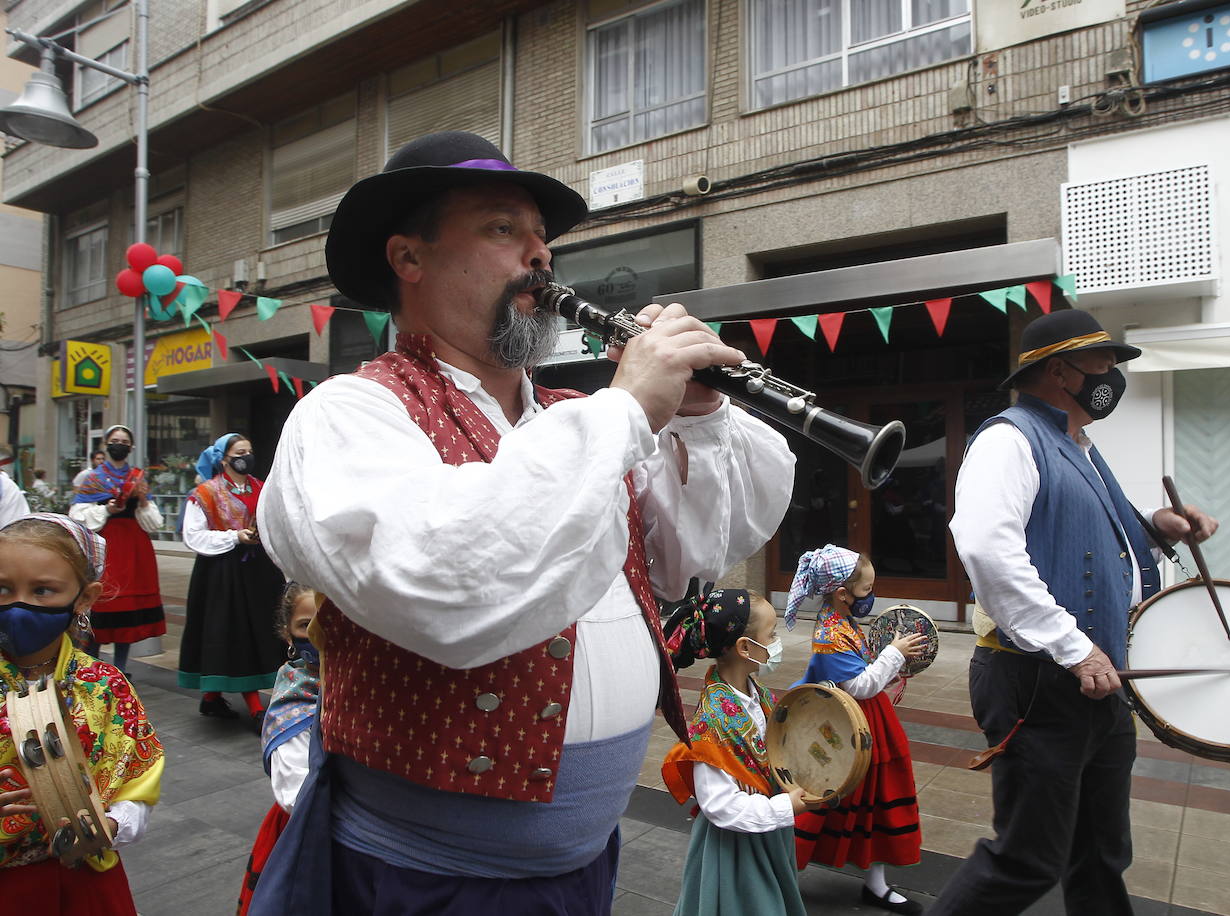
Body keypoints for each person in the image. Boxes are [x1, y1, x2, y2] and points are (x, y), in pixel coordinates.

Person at [251, 130, 795, 914]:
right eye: (504, 230)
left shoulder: (582, 423)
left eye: (543, 239)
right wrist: (629, 409)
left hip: (583, 864)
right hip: (424, 881)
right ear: (410, 259)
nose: (539, 256)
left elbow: (689, 557)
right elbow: (446, 584)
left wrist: (700, 418)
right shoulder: (352, 412)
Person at [930, 309, 1218, 916]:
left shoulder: (1078, 445)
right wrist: (1073, 645)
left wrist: (1156, 530)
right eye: (1102, 362)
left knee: (1101, 854)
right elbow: (986, 546)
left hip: (1097, 681)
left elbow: (1082, 539)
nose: (1112, 373)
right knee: (1028, 859)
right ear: (1059, 371)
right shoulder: (1009, 439)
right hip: (1040, 679)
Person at [0, 513, 165, 913]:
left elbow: (135, 786)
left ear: (85, 597)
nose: (19, 605)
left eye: (43, 590)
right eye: (3, 589)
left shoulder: (105, 686)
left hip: (85, 880)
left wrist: (107, 825)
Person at [787, 544, 927, 913]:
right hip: (849, 730)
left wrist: (891, 660)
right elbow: (861, 686)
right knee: (824, 799)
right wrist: (893, 652)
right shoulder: (829, 636)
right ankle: (779, 872)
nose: (871, 597)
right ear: (841, 594)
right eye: (866, 590)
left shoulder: (842, 624)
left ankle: (875, 884)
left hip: (867, 725)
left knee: (875, 800)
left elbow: (866, 676)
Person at [660, 588, 810, 916]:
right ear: (745, 647)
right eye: (770, 635)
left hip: (766, 837)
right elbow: (721, 806)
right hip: (734, 851)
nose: (775, 643)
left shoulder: (760, 697)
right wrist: (785, 806)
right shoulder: (712, 721)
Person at [178, 434, 286, 726]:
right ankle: (254, 706)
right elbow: (193, 534)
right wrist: (234, 536)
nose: (246, 456)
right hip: (222, 573)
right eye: (240, 452)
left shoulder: (262, 488)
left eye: (250, 451)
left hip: (260, 571)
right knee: (232, 632)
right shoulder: (206, 492)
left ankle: (212, 699)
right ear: (223, 458)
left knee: (261, 629)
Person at [238, 582, 321, 916]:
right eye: (305, 625)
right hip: (308, 832)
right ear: (288, 635)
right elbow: (295, 795)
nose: (319, 634)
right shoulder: (295, 698)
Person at [68, 426, 165, 673]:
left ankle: (121, 669)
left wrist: (142, 499)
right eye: (115, 440)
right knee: (101, 604)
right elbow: (76, 515)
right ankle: (94, 665)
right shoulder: (93, 478)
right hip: (105, 545)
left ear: (131, 447)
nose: (119, 444)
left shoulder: (138, 478)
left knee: (127, 610)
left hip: (134, 547)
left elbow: (155, 521)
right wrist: (106, 510)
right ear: (106, 444)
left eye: (124, 441)